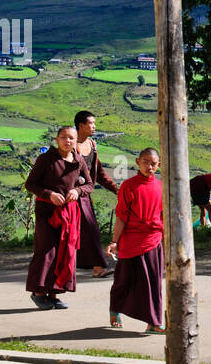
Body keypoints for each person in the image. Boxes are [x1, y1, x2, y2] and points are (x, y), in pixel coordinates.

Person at [24, 126, 93, 309]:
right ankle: (39, 292)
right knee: (46, 250)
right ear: (57, 139)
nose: (67, 141)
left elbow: (90, 185)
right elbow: (30, 184)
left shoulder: (78, 161)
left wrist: (77, 191)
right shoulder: (46, 159)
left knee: (64, 252)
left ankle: (54, 293)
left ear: (76, 140)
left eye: (71, 138)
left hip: (69, 213)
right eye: (63, 137)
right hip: (47, 211)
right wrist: (49, 194)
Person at [107, 148, 165, 333]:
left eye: (153, 163)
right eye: (146, 161)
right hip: (131, 240)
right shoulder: (129, 186)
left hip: (154, 239)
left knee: (153, 282)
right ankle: (115, 309)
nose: (150, 166)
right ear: (137, 161)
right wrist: (115, 242)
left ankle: (154, 323)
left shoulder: (162, 187)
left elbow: (165, 216)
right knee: (124, 280)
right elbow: (122, 216)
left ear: (159, 165)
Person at [74, 111, 120, 278]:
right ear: (81, 125)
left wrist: (116, 189)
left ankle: (96, 266)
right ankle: (98, 267)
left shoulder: (92, 145)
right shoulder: (71, 147)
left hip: (85, 197)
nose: (94, 126)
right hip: (71, 197)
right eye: (91, 123)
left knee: (88, 232)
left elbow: (99, 174)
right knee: (87, 231)